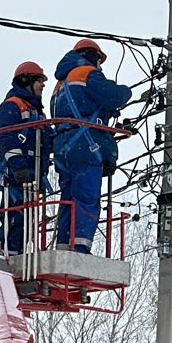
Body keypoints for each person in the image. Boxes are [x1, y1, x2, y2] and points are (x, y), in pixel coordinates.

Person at [50, 38, 132, 254]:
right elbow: (114, 96)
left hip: (62, 146)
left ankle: (64, 245)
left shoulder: (59, 85)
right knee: (86, 197)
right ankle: (80, 247)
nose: (100, 67)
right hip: (84, 144)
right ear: (93, 57)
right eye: (99, 61)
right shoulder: (86, 74)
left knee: (68, 198)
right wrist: (126, 91)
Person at [0, 61, 49, 254]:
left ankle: (20, 251)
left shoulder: (37, 113)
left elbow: (46, 141)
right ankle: (9, 252)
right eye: (39, 81)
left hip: (32, 174)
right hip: (14, 174)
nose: (43, 85)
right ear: (26, 81)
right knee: (14, 216)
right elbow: (5, 137)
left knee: (28, 220)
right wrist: (17, 166)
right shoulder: (11, 107)